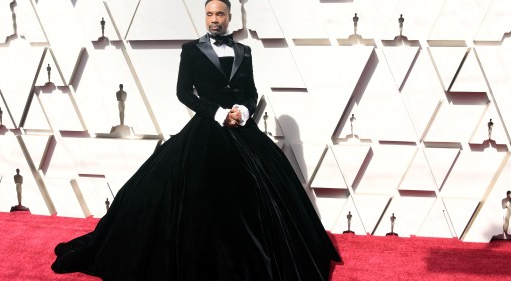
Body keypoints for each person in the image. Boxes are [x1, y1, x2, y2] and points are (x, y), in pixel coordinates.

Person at [51, 1, 341, 280]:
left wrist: (243, 110)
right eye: (209, 14)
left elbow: (250, 92)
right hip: (207, 126)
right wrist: (217, 113)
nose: (214, 19)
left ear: (230, 17)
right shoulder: (191, 50)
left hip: (243, 129)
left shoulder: (245, 51)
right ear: (206, 17)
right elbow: (184, 92)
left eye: (220, 14)